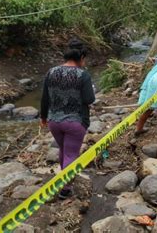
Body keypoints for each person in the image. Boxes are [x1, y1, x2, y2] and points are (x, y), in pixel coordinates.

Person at [40, 39, 95, 199]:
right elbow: (89, 99)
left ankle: (63, 177)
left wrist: (43, 117)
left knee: (63, 150)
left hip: (54, 121)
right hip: (75, 121)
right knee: (71, 154)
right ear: (81, 58)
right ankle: (65, 188)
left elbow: (45, 98)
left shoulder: (51, 72)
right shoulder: (83, 75)